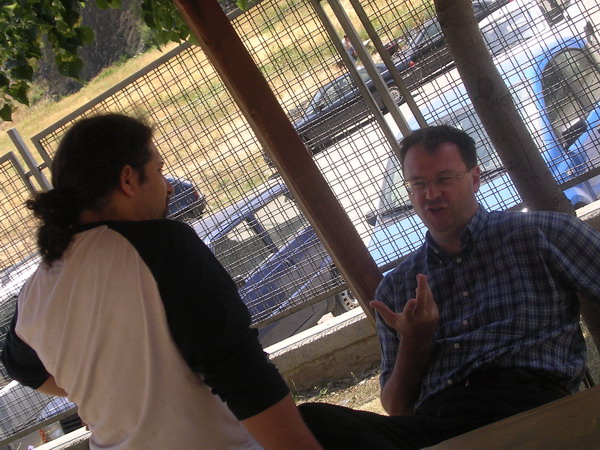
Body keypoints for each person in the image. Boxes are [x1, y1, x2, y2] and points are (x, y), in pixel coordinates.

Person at [0, 113, 321, 449]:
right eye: (159, 171)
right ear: (128, 179)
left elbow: (23, 368)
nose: (168, 186)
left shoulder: (34, 292)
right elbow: (240, 372)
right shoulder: (163, 245)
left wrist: (104, 393)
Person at [299, 124, 600, 448]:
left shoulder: (545, 235)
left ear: (475, 178)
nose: (430, 195)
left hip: (529, 406)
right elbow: (397, 406)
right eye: (418, 184)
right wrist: (415, 341)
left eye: (443, 179)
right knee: (309, 422)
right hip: (436, 425)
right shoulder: (397, 288)